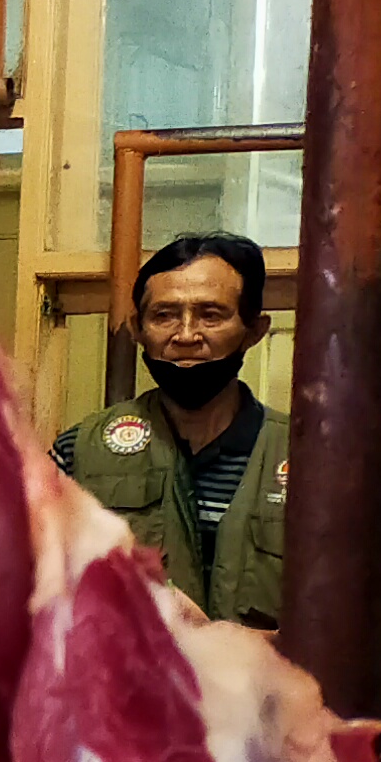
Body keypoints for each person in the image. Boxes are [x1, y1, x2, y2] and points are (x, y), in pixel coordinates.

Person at [53, 229, 284, 626]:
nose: (186, 335)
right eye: (164, 315)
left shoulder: (313, 460)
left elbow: (361, 623)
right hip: (122, 685)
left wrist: (247, 648)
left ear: (254, 331)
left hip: (275, 686)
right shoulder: (78, 451)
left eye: (211, 315)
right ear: (138, 328)